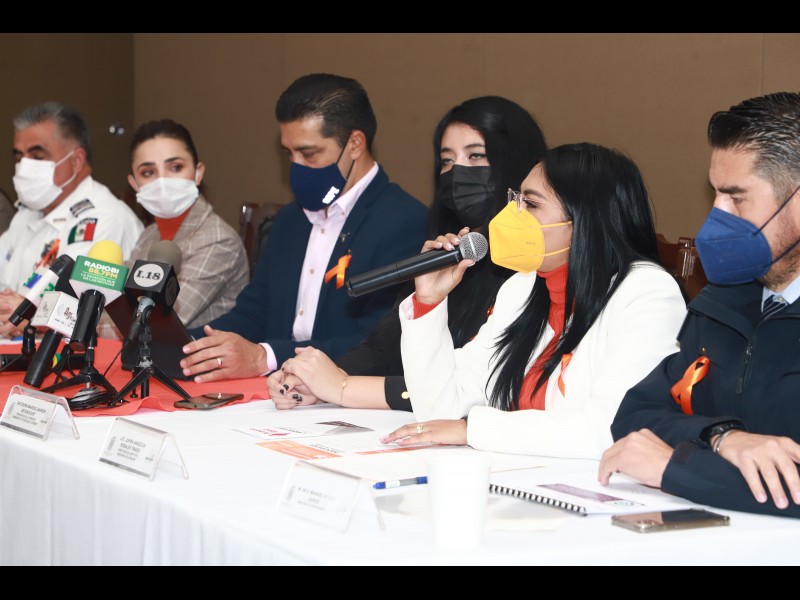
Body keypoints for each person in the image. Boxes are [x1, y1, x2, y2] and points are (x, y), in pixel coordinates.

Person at [381, 143, 687, 459]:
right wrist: (429, 301)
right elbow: (439, 409)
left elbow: (612, 429)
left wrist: (472, 429)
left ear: (584, 219)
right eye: (516, 199)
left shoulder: (647, 293)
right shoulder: (522, 287)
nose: (512, 215)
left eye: (530, 204)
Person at [268, 96, 547, 410]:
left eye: (476, 156)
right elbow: (385, 345)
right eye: (447, 161)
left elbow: (471, 387)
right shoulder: (447, 247)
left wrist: (344, 387)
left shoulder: (533, 264)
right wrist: (321, 379)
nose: (457, 172)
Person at [600, 92, 800, 518]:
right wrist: (722, 436)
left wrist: (680, 468)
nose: (715, 217)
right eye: (715, 196)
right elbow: (635, 416)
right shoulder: (722, 303)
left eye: (736, 198)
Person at [180, 73, 428, 382]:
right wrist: (186, 345)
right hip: (273, 391)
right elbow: (253, 313)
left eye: (309, 154)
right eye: (289, 154)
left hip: (347, 395)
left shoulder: (404, 220)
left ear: (355, 144)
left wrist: (266, 357)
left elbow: (378, 343)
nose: (296, 166)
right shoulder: (290, 219)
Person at [0, 101, 144, 337]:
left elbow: (77, 311)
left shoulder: (106, 217)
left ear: (76, 161)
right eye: (19, 158)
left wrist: (25, 314)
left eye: (37, 157)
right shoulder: (26, 215)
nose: (24, 167)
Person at [125, 119, 248, 330]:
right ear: (134, 184)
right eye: (148, 172)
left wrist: (88, 319)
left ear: (198, 173)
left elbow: (156, 320)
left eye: (176, 167)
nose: (162, 181)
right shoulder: (149, 234)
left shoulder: (218, 239)